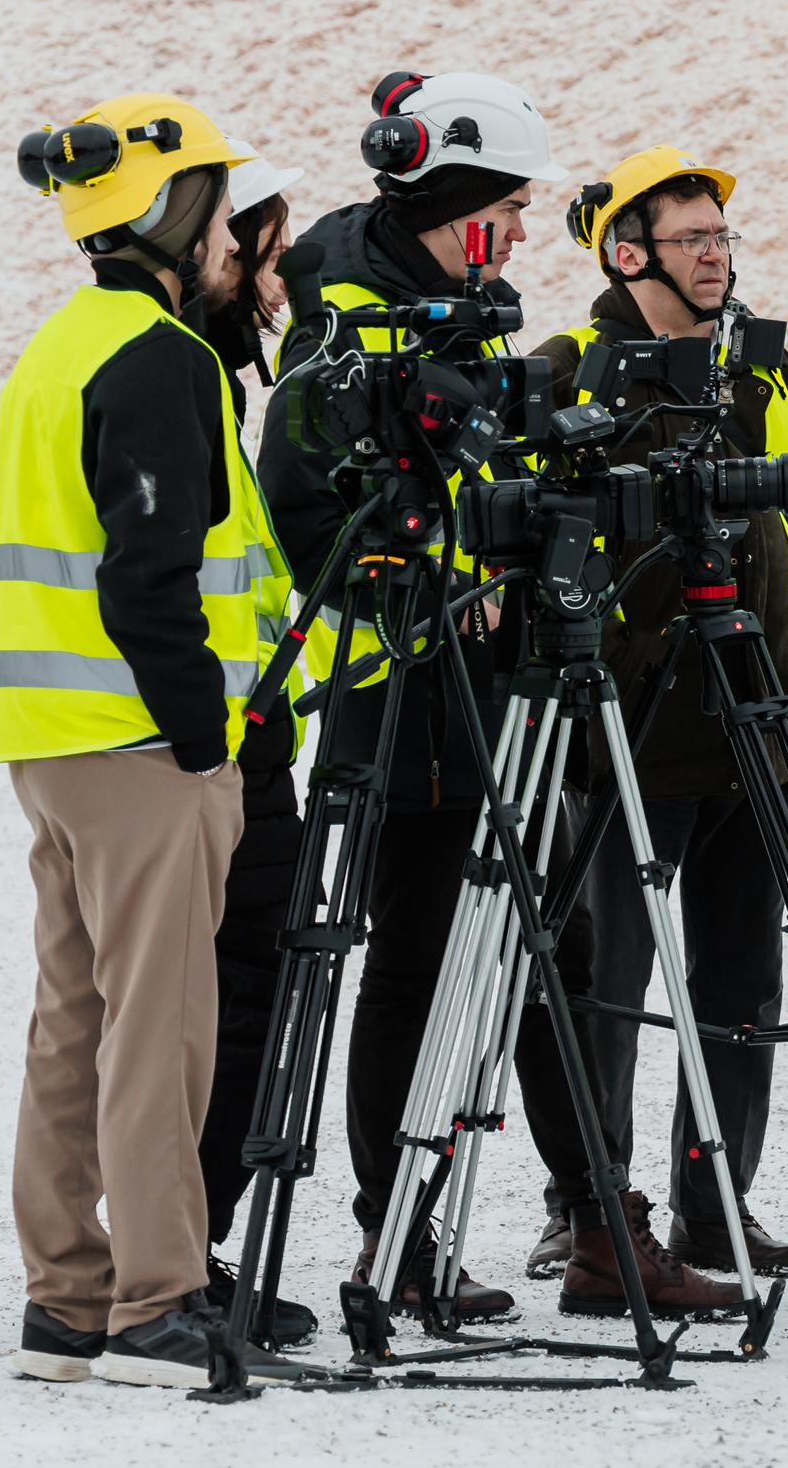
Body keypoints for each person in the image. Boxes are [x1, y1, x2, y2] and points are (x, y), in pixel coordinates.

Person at [258, 71, 689, 1316]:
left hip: (490, 682)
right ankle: (397, 1245)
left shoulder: (454, 306)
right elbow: (317, 519)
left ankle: (596, 1222)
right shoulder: (346, 329)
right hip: (403, 691)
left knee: (555, 944)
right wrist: (445, 588)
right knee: (419, 965)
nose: (509, 238)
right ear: (442, 202)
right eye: (496, 211)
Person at [0, 94, 307, 1387]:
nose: (236, 236)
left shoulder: (57, 346)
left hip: (54, 739)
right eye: (222, 210)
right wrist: (201, 736)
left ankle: (67, 1297)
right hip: (141, 748)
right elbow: (150, 578)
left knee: (73, 1021)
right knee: (161, 1028)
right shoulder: (160, 355)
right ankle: (157, 1304)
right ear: (171, 215)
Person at [518, 146, 788, 1309]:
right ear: (628, 251)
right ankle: (596, 1210)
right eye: (693, 239)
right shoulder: (573, 373)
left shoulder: (769, 380)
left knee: (740, 983)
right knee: (606, 980)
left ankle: (715, 1205)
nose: (718, 257)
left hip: (750, 729)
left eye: (722, 238)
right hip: (622, 734)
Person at [189, 148, 322, 1346]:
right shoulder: (190, 381)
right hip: (219, 737)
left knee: (259, 988)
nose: (272, 282)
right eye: (261, 256)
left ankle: (195, 1246)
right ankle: (184, 1255)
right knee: (232, 998)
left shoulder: (226, 380)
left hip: (250, 723)